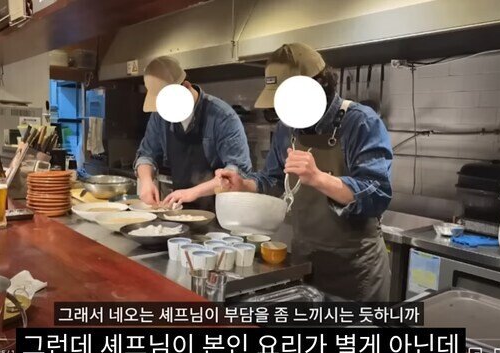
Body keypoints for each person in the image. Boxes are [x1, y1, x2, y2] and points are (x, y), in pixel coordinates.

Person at [217, 43, 394, 302]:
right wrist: (244, 184)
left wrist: (319, 178)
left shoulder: (361, 122)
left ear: (319, 87)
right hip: (304, 263)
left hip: (355, 271)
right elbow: (274, 179)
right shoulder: (288, 127)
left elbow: (377, 194)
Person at [134, 56, 252, 211]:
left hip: (222, 212)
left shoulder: (222, 117)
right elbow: (146, 154)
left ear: (186, 86)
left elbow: (237, 172)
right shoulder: (159, 117)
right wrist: (146, 181)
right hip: (180, 211)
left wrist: (194, 192)